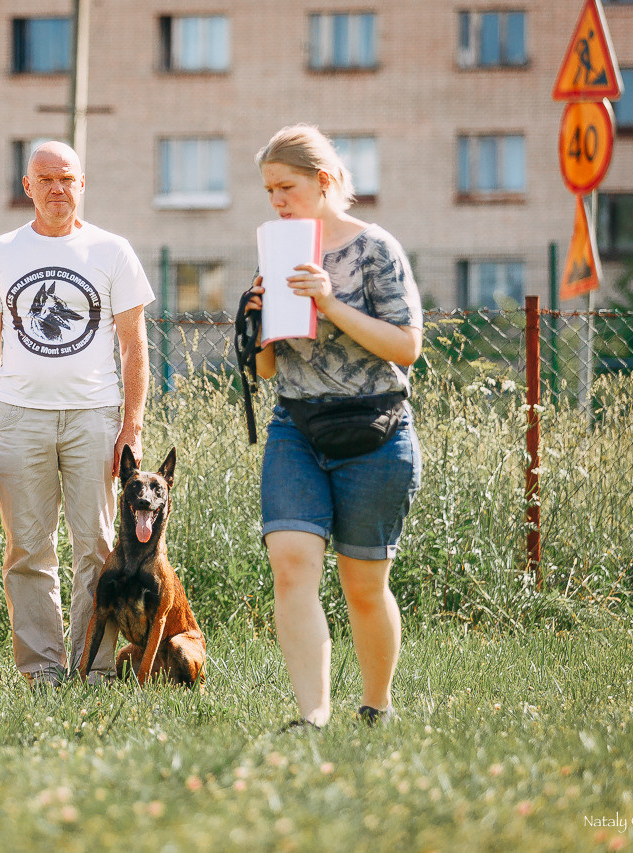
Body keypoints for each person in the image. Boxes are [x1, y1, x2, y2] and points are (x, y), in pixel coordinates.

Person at [246, 124, 423, 728]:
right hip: (296, 427)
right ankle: (313, 716)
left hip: (375, 430)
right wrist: (257, 321)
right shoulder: (277, 250)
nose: (276, 201)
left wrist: (329, 304)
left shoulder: (376, 248)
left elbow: (407, 346)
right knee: (292, 565)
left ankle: (376, 706)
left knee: (363, 586)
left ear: (323, 182)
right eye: (269, 190)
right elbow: (269, 367)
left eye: (286, 187)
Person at [0, 141, 155, 688]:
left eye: (66, 179)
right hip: (19, 418)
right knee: (27, 547)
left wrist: (132, 426)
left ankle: (92, 667)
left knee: (96, 546)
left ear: (82, 184)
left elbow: (134, 345)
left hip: (94, 418)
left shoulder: (112, 251)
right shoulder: (0, 253)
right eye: (45, 178)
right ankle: (42, 671)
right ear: (27, 186)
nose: (57, 189)